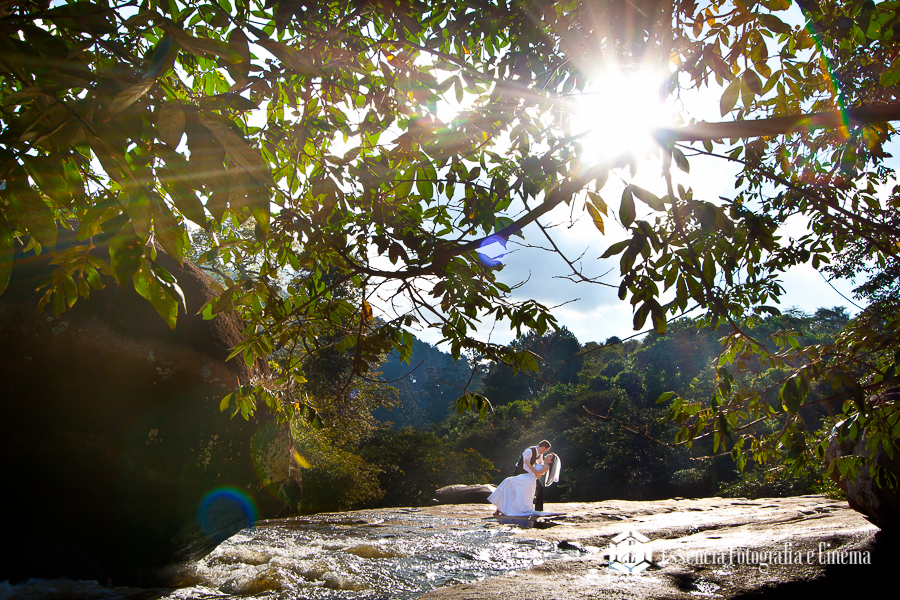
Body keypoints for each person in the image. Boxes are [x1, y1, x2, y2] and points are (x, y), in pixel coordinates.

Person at [489, 453, 558, 516]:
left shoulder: (547, 466)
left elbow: (537, 473)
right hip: (525, 477)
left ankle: (501, 509)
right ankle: (499, 509)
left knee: (510, 484)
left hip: (529, 481)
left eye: (550, 456)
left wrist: (529, 465)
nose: (548, 455)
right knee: (508, 482)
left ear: (551, 461)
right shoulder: (542, 463)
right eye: (549, 454)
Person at [513, 440, 551, 511]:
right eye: (546, 450)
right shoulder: (529, 451)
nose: (546, 452)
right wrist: (535, 473)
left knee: (540, 488)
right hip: (520, 472)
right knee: (517, 490)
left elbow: (539, 462)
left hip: (530, 474)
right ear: (543, 447)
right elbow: (525, 466)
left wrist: (542, 470)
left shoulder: (540, 453)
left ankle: (539, 509)